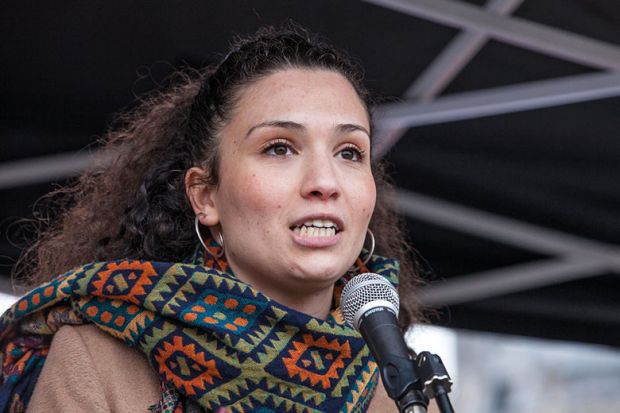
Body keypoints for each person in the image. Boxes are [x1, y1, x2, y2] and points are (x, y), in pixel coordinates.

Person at [0, 26, 433, 412]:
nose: (325, 181)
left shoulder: (404, 391)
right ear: (205, 196)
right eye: (279, 147)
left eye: (350, 153)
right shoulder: (97, 361)